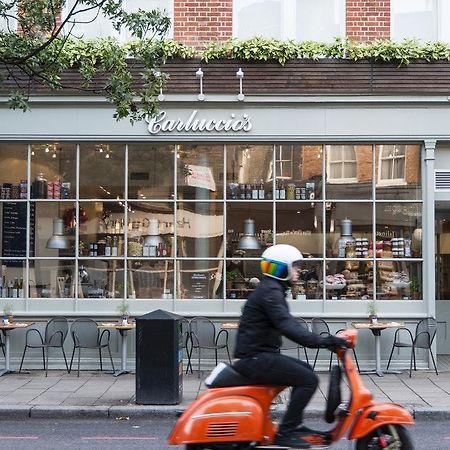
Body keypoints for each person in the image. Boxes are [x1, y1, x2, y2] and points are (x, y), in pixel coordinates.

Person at [233, 244, 348, 449]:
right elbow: (287, 325)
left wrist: (324, 341)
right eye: (294, 266)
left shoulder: (271, 290)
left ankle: (293, 425)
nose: (299, 270)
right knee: (308, 379)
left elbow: (287, 322)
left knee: (305, 371)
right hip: (256, 358)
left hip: (258, 356)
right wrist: (324, 341)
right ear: (281, 267)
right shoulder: (270, 292)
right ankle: (286, 431)